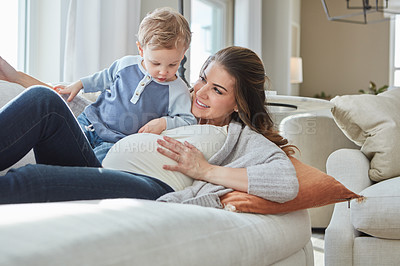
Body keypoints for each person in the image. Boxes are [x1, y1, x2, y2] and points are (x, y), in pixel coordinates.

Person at [0, 46, 299, 206]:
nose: (201, 92)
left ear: (238, 103)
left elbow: (286, 182)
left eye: (217, 90)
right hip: (99, 164)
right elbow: (83, 104)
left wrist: (205, 171)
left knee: (33, 178)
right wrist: (17, 77)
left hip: (150, 186)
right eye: (202, 78)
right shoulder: (172, 100)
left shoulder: (240, 137)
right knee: (42, 101)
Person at [55, 7, 196, 162]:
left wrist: (163, 122)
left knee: (92, 169)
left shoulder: (178, 90)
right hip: (91, 121)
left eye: (172, 64)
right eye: (155, 63)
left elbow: (188, 120)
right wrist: (80, 84)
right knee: (61, 154)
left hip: (117, 144)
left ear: (182, 55)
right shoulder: (126, 64)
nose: (163, 72)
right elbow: (104, 77)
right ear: (141, 50)